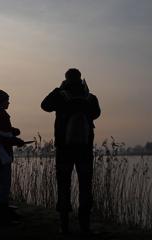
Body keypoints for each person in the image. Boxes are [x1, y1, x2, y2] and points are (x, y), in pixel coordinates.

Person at [41, 68, 101, 235]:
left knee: (63, 185)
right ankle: (85, 227)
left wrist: (59, 89)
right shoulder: (90, 97)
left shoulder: (61, 95)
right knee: (85, 186)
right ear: (80, 78)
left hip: (64, 149)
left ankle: (64, 226)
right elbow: (96, 114)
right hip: (85, 149)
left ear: (66, 79)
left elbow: (44, 106)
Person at [0, 90, 24, 225]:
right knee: (4, 187)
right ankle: (3, 218)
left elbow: (1, 133)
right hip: (2, 157)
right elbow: (4, 138)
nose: (8, 102)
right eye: (7, 100)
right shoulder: (1, 115)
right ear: (1, 102)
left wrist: (13, 131)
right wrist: (17, 141)